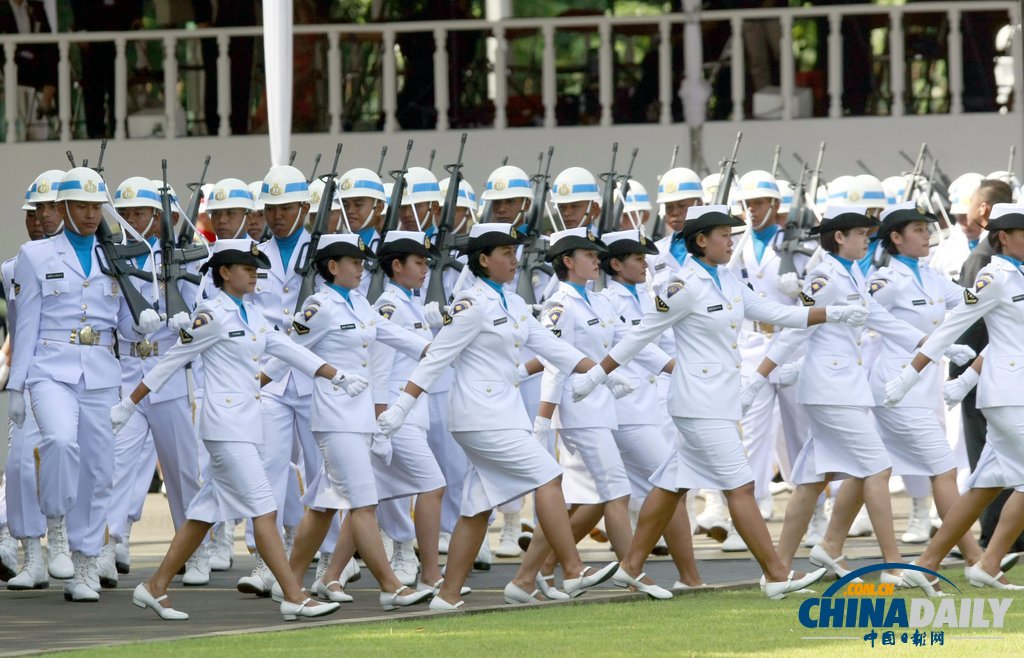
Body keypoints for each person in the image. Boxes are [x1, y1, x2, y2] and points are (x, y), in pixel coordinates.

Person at [577, 205, 867, 599]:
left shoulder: (729, 280)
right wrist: (597, 374)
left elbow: (779, 313)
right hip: (697, 402)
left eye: (732, 235)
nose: (731, 241)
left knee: (670, 485)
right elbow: (638, 336)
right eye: (723, 235)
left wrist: (833, 312)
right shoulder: (681, 285)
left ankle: (630, 565)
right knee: (741, 487)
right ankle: (777, 574)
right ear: (701, 240)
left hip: (716, 400)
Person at [376, 223, 618, 610]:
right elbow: (437, 356)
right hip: (480, 416)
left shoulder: (515, 304)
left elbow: (555, 349)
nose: (514, 260)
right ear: (484, 259)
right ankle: (573, 569)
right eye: (506, 253)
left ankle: (448, 595)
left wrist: (603, 373)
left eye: (515, 252)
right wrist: (401, 407)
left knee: (475, 508)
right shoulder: (470, 304)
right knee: (550, 477)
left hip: (498, 415)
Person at [112, 238, 347, 621]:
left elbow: (288, 349)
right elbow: (171, 361)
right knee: (264, 507)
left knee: (204, 512)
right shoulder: (211, 315)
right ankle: (293, 594)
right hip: (223, 427)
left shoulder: (253, 314)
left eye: (257, 271)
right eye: (247, 269)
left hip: (245, 426)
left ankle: (154, 586)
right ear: (224, 273)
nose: (255, 276)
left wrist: (336, 374)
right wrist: (129, 403)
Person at [749, 206, 970, 583]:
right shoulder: (823, 276)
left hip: (842, 387)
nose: (868, 241)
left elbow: (883, 321)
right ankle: (892, 565)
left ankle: (779, 569)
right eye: (861, 235)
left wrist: (937, 348)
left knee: (811, 479)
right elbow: (796, 330)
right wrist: (760, 378)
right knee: (877, 468)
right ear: (839, 238)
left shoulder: (854, 273)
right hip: (830, 389)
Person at [7, 167, 161, 601]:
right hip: (50, 368)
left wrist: (145, 323)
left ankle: (85, 564)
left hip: (99, 371)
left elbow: (127, 328)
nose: (91, 214)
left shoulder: (117, 255)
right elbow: (27, 325)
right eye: (82, 206)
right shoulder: (35, 256)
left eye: (97, 206)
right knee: (57, 440)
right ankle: (55, 526)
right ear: (64, 208)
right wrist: (16, 386)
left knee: (97, 469)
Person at [268, 233, 434, 611]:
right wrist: (257, 384)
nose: (361, 268)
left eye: (362, 262)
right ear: (332, 267)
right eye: (354, 262)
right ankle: (391, 585)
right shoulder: (318, 305)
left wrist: (436, 349)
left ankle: (290, 582)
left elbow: (391, 334)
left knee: (325, 505)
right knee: (363, 503)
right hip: (335, 418)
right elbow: (287, 350)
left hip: (360, 418)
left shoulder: (359, 302)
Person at [886, 203, 1024, 593]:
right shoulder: (994, 275)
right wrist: (910, 374)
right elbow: (952, 327)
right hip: (1008, 393)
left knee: (987, 483)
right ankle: (988, 561)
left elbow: (1008, 341)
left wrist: (967, 380)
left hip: (1014, 388)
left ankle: (928, 564)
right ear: (1003, 237)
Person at [529, 226, 669, 597]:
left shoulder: (599, 301)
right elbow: (553, 361)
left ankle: (530, 576)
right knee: (616, 490)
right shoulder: (559, 305)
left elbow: (632, 343)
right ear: (568, 262)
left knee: (588, 498)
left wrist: (674, 368)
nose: (597, 260)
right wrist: (545, 416)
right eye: (589, 255)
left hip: (601, 410)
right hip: (577, 411)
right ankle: (634, 573)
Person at [105, 177, 204, 588]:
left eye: (140, 213)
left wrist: (179, 320)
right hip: (128, 370)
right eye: (125, 214)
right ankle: (106, 548)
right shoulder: (109, 256)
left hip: (167, 372)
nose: (132, 220)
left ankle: (193, 551)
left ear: (157, 217)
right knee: (115, 465)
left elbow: (198, 309)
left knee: (183, 471)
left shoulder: (177, 257)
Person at [2, 177, 53, 590]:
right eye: (31, 213)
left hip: (81, 377)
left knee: (78, 464)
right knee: (19, 466)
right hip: (32, 377)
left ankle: (86, 552)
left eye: (46, 211)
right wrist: (16, 381)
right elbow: (18, 330)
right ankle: (31, 555)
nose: (38, 221)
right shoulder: (11, 268)